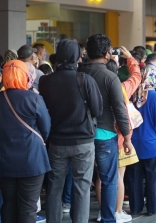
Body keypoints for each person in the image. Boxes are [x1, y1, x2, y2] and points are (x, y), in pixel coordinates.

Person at [39, 40, 103, 223]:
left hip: (56, 142)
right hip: (83, 142)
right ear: (77, 57)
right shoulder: (85, 80)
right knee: (81, 188)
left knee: (54, 188)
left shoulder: (45, 81)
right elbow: (97, 110)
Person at [78, 34, 132, 223]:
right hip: (105, 134)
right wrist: (126, 137)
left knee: (82, 182)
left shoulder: (78, 74)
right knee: (108, 179)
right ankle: (108, 218)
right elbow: (119, 109)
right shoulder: (110, 77)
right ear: (108, 53)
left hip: (80, 134)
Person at [0, 60, 51, 223]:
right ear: (25, 76)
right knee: (28, 207)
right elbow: (46, 128)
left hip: (4, 160)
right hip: (32, 160)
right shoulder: (34, 99)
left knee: (8, 204)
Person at [127, 64, 156, 216]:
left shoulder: (131, 95)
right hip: (152, 144)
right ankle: (153, 207)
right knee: (152, 176)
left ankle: (136, 207)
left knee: (134, 177)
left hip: (132, 143)